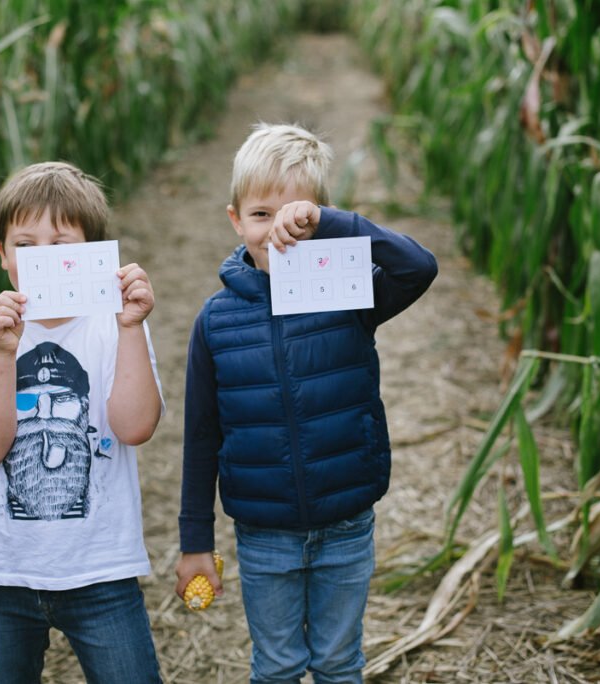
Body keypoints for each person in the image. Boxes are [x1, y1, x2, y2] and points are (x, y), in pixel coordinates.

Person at [175, 123, 438, 683]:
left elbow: (419, 268)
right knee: (277, 666)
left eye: (296, 213)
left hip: (346, 522)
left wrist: (334, 227)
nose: (276, 232)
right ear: (235, 219)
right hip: (264, 532)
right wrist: (195, 540)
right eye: (260, 215)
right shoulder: (216, 322)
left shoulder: (347, 291)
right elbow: (201, 434)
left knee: (340, 663)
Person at [0, 161, 164, 683]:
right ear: (2, 253)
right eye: (26, 245)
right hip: (4, 573)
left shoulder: (116, 329)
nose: (43, 259)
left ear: (95, 255)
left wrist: (133, 329)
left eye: (63, 245)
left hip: (103, 570)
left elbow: (135, 426)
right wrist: (4, 353)